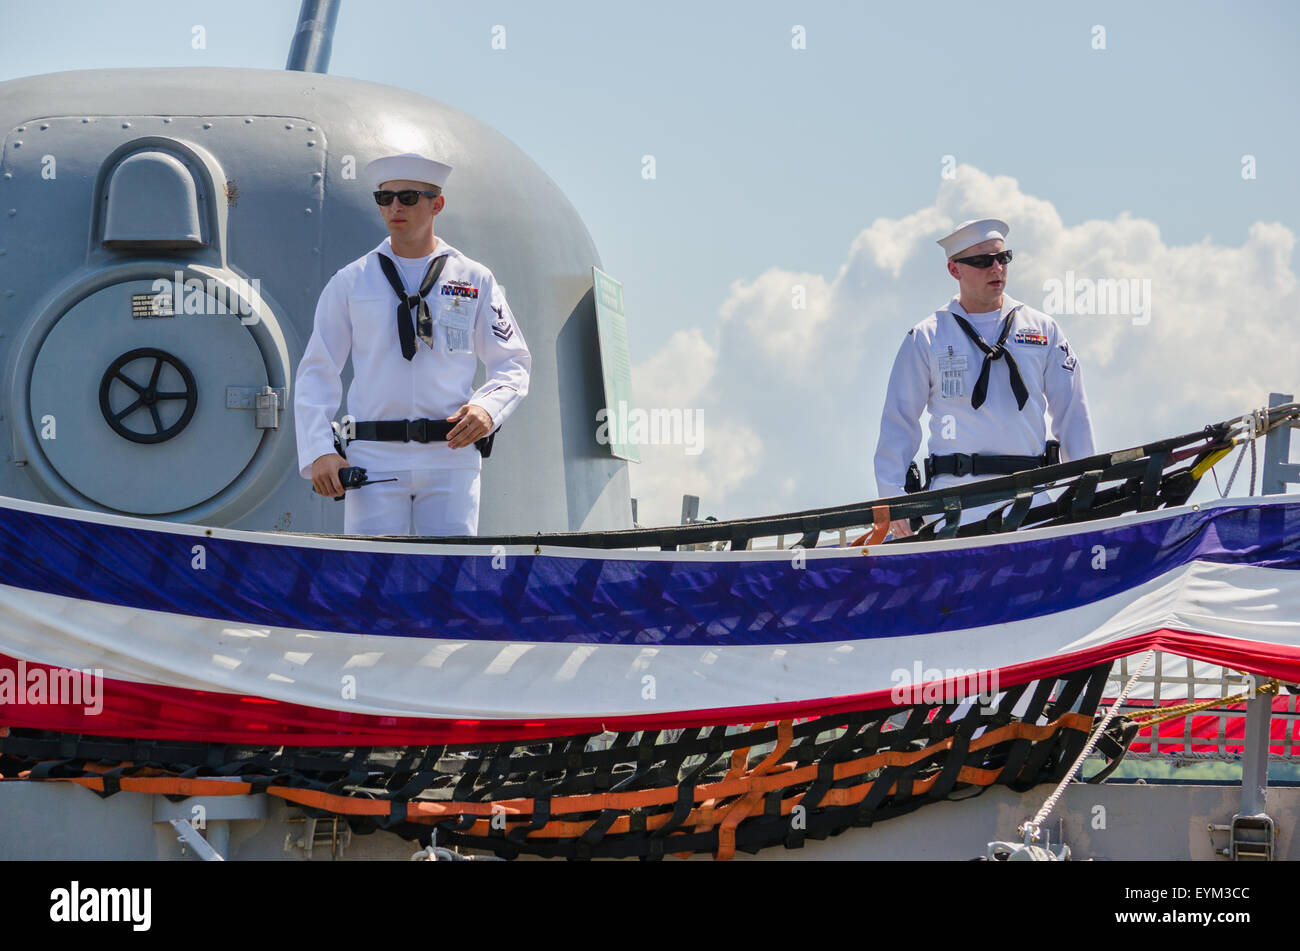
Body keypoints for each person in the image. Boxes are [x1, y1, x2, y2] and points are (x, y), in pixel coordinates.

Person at [294, 152, 531, 536]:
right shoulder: (352, 281)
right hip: (372, 455)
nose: (394, 208)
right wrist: (320, 449)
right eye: (384, 199)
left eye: (408, 197)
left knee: (447, 578)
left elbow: (512, 362)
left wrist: (488, 409)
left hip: (450, 456)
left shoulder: (473, 278)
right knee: (370, 579)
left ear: (436, 204)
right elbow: (317, 371)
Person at [873, 218, 1095, 537]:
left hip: (1032, 503)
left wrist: (1085, 485)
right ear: (954, 270)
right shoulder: (927, 337)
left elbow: (1073, 413)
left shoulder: (1043, 330)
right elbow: (899, 420)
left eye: (1003, 258)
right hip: (955, 507)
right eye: (981, 261)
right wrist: (892, 497)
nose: (996, 268)